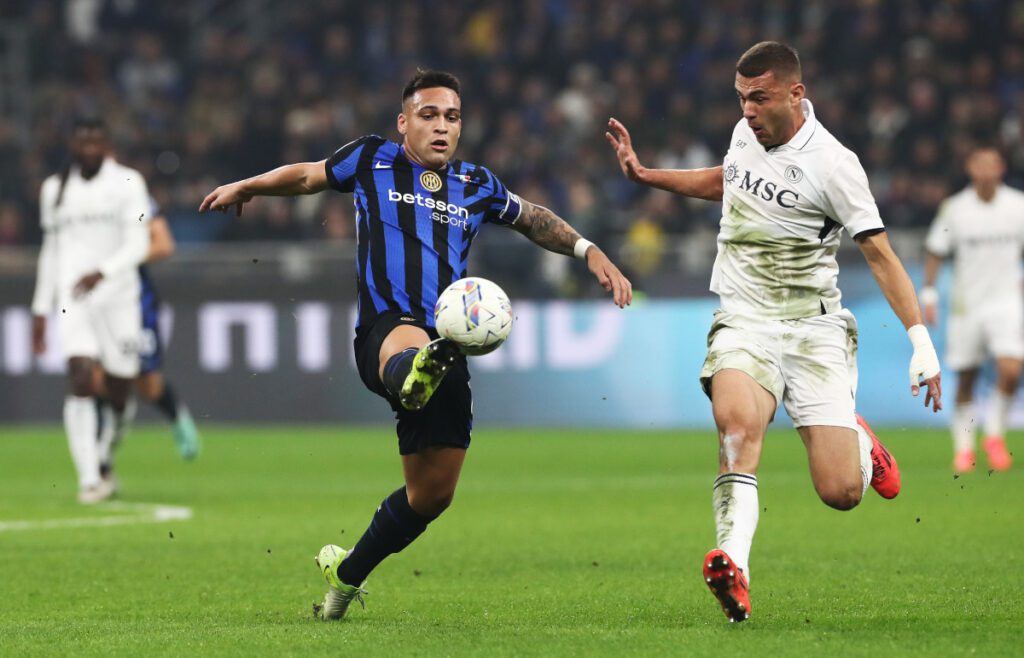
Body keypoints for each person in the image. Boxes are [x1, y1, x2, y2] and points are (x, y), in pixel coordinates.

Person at [200, 69, 632, 621]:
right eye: (428, 115)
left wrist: (590, 251)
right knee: (409, 347)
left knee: (431, 496)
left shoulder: (476, 184)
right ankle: (413, 370)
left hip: (447, 342)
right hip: (388, 328)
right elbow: (307, 176)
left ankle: (347, 573)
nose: (441, 127)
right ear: (404, 122)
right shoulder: (371, 159)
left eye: (451, 117)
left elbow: (534, 219)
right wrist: (250, 185)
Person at [605, 42, 941, 622]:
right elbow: (726, 181)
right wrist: (646, 174)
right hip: (745, 317)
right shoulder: (745, 134)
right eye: (740, 98)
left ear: (796, 93)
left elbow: (882, 256)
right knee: (736, 426)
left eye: (759, 98)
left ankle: (858, 444)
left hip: (814, 330)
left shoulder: (836, 166)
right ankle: (735, 565)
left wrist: (921, 342)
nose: (747, 110)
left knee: (841, 493)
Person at [31, 117, 151, 504]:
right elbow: (51, 250)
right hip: (74, 298)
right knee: (81, 377)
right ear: (73, 144)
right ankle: (88, 479)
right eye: (83, 142)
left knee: (119, 391)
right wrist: (40, 307)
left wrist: (104, 272)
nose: (89, 149)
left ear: (106, 144)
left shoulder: (128, 183)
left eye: (96, 142)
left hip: (118, 298)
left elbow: (139, 244)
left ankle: (104, 458)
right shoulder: (55, 189)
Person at [922, 147, 1024, 473]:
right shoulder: (955, 209)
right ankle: (964, 448)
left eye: (991, 164)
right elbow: (936, 250)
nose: (985, 170)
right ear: (970, 169)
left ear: (1001, 168)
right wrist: (929, 295)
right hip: (967, 306)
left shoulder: (1018, 206)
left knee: (1011, 369)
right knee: (967, 377)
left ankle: (993, 435)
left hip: (1006, 301)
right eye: (979, 164)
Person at [94, 207, 202, 488]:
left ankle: (177, 416)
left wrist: (115, 263)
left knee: (147, 385)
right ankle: (101, 467)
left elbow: (164, 244)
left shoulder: (132, 194)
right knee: (96, 380)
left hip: (134, 304)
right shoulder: (72, 193)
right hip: (93, 301)